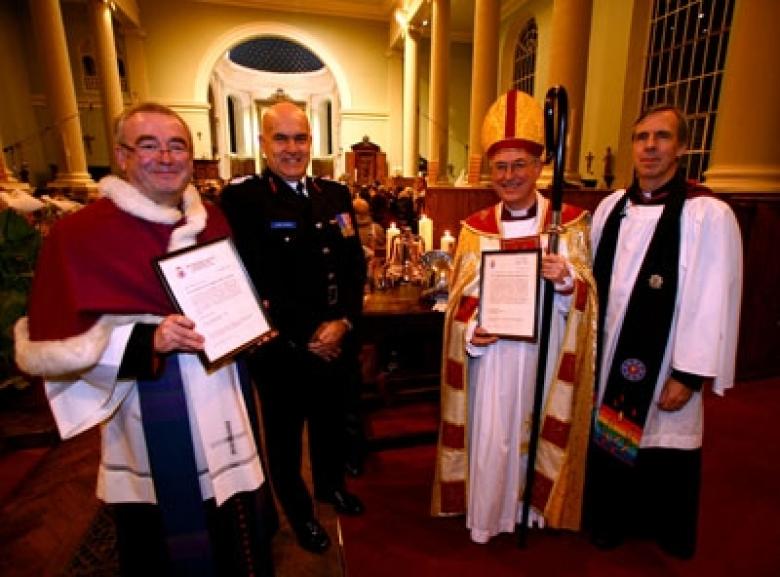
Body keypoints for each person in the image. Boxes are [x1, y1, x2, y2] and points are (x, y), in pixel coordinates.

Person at [14, 102, 275, 576]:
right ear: (121, 155)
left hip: (223, 390)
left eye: (177, 146)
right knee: (166, 531)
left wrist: (248, 318)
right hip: (150, 397)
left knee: (235, 517)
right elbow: (61, 346)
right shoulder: (79, 234)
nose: (166, 157)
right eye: (149, 145)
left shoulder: (211, 219)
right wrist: (148, 340)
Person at [431, 89, 597, 544]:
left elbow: (589, 303)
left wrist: (567, 281)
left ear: (539, 165)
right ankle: (490, 514)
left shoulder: (571, 225)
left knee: (540, 426)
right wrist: (472, 329)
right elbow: (458, 301)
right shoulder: (475, 229)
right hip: (494, 360)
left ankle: (535, 511)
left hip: (547, 351)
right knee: (494, 435)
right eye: (500, 166)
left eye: (519, 164)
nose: (509, 176)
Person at [587, 104, 742, 558]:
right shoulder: (612, 208)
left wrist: (688, 373)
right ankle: (611, 519)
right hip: (610, 350)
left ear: (682, 147)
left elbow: (712, 298)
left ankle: (663, 528)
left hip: (668, 356)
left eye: (662, 136)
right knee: (610, 427)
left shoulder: (706, 214)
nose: (650, 146)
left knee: (663, 433)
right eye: (642, 137)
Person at [220, 101, 366, 554]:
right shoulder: (244, 199)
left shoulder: (334, 194)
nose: (292, 148)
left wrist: (344, 321)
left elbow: (353, 266)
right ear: (263, 144)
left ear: (311, 141)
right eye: (280, 138)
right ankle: (300, 515)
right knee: (285, 441)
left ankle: (330, 486)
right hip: (282, 349)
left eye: (300, 137)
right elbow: (254, 278)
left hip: (336, 339)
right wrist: (308, 336)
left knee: (331, 423)